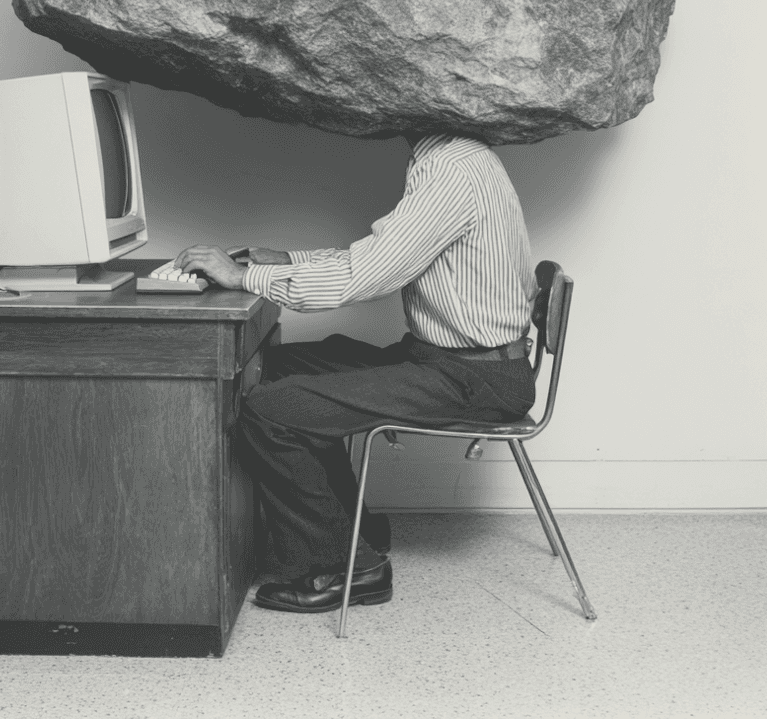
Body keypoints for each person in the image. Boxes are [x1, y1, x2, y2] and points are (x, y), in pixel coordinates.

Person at [173, 134, 537, 615]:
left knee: (272, 411)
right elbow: (373, 255)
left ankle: (351, 567)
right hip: (449, 359)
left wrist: (245, 278)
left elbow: (365, 276)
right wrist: (285, 261)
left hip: (474, 376)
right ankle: (348, 527)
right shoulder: (449, 158)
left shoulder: (452, 168)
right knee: (274, 371)